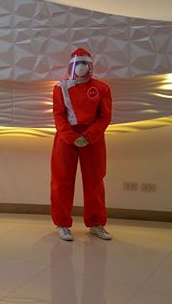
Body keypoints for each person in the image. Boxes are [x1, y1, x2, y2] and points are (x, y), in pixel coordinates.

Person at [51, 47, 113, 241]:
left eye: (85, 63)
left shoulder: (102, 88)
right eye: (78, 63)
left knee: (95, 181)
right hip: (66, 138)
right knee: (62, 181)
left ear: (90, 65)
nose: (81, 67)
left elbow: (105, 116)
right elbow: (58, 115)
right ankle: (62, 224)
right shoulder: (60, 87)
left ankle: (96, 223)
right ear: (71, 65)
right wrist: (71, 136)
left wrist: (88, 136)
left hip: (92, 139)